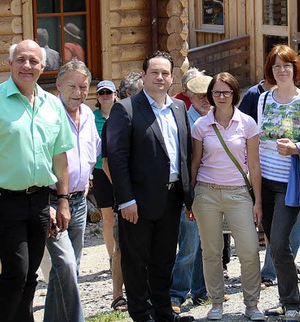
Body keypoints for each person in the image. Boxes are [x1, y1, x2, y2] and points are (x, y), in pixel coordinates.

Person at [0, 39, 74, 321]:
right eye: (21, 60)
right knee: (16, 271)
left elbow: (60, 156)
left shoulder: (52, 105)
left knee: (30, 275)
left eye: (33, 61)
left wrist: (62, 201)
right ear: (9, 63)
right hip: (2, 200)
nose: (27, 66)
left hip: (38, 201)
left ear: (43, 66)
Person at [106, 51, 194, 322]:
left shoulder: (179, 108)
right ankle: (141, 315)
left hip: (171, 198)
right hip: (138, 203)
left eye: (165, 73)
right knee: (136, 261)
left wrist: (188, 199)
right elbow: (117, 159)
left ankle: (163, 313)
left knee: (164, 259)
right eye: (154, 72)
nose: (160, 77)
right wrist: (126, 200)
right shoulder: (126, 109)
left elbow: (184, 154)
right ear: (144, 76)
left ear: (172, 78)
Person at [189, 72, 264, 321]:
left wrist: (258, 202)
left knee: (249, 250)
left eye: (226, 92)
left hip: (238, 193)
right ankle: (216, 302)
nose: (221, 97)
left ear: (235, 94)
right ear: (210, 95)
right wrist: (190, 197)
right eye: (216, 92)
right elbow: (196, 162)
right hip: (207, 193)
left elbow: (254, 165)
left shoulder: (247, 123)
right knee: (211, 251)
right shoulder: (201, 125)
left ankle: (252, 304)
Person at [44, 59, 100, 321]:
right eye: (72, 86)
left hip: (78, 200)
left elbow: (92, 151)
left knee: (68, 269)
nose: (78, 92)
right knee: (65, 265)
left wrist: (87, 178)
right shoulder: (46, 114)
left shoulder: (88, 114)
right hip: (52, 201)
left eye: (83, 86)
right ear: (57, 85)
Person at [257, 44, 300, 320]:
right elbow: (256, 140)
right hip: (265, 181)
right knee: (273, 242)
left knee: (278, 242)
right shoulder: (264, 99)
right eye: (276, 66)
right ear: (270, 70)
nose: (282, 70)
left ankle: (293, 303)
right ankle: (286, 301)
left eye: (286, 65)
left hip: (289, 183)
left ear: (294, 68)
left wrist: (296, 148)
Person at [170, 73, 212, 314]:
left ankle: (201, 290)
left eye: (209, 95)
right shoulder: (186, 121)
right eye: (200, 95)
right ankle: (177, 293)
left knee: (206, 244)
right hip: (192, 190)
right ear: (190, 96)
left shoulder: (216, 118)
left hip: (211, 188)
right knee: (188, 245)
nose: (205, 99)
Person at [92, 79, 127, 311]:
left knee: (122, 214)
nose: (105, 95)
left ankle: (122, 258)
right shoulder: (91, 117)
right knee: (107, 217)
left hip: (120, 170)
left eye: (109, 92)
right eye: (101, 92)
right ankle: (112, 257)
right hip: (99, 171)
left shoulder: (121, 114)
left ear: (116, 94)